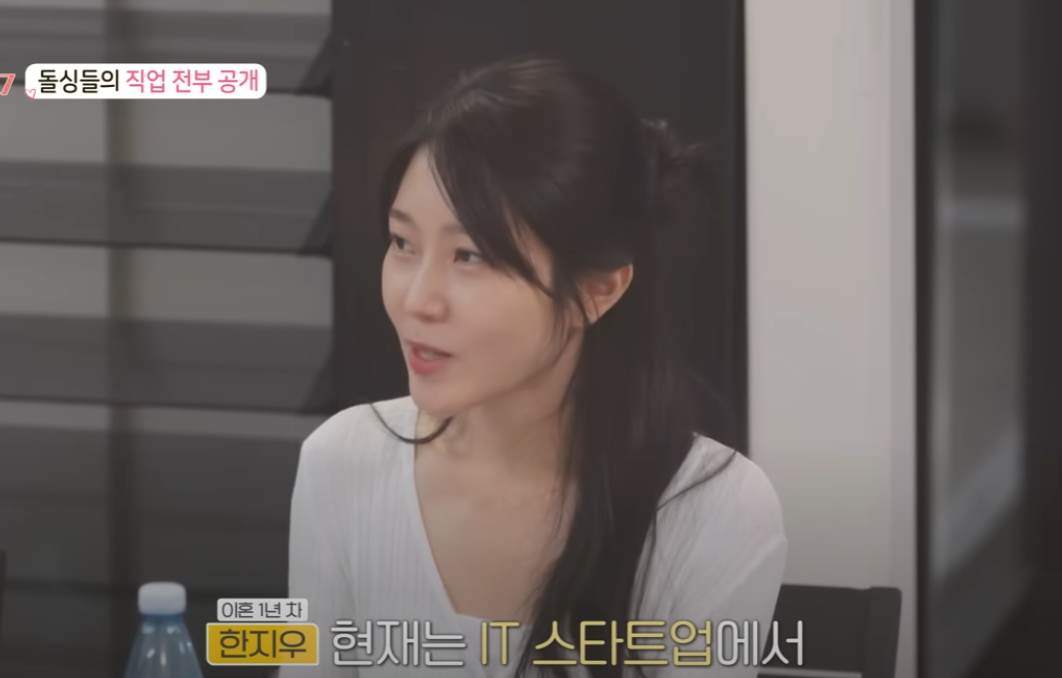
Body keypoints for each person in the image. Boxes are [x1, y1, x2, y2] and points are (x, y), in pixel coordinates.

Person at [284, 56, 786, 678]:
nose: (416, 300)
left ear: (597, 291)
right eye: (403, 243)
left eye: (470, 256)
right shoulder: (341, 461)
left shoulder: (714, 510)